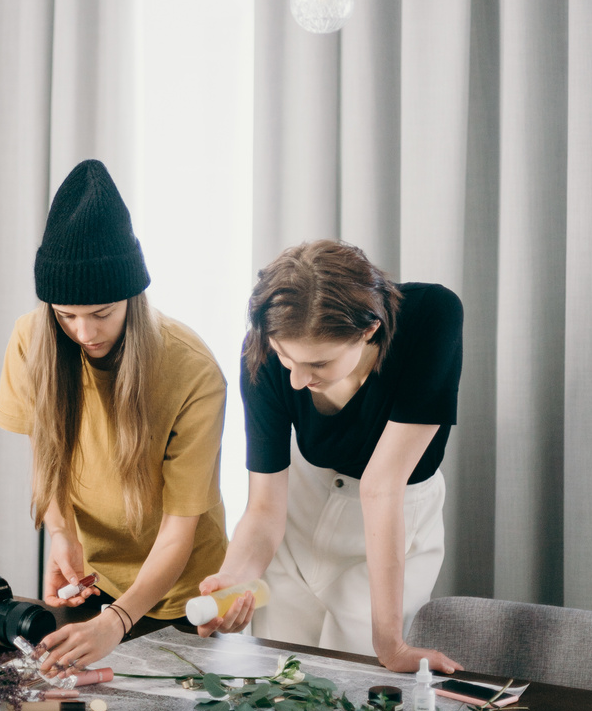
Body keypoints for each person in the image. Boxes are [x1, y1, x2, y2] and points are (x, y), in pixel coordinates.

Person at [0, 159, 227, 670]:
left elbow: (178, 530)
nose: (84, 332)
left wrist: (119, 621)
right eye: (66, 315)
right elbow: (46, 456)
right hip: (98, 586)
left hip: (185, 596)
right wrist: (62, 535)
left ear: (132, 296)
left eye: (101, 313)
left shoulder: (192, 371)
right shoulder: (31, 341)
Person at [196, 240, 464, 675]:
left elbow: (382, 486)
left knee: (359, 689)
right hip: (300, 515)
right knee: (279, 683)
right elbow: (265, 509)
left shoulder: (432, 316)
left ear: (368, 330)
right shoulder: (262, 355)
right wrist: (233, 580)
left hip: (391, 520)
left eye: (318, 364)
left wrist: (391, 643)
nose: (298, 380)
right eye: (287, 357)